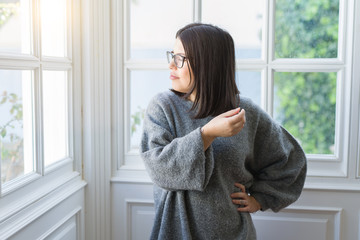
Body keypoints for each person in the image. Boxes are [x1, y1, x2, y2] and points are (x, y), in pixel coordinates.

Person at [140, 23, 307, 240]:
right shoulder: (162, 107)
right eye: (172, 55)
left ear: (206, 64)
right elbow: (158, 168)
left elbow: (290, 162)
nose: (171, 65)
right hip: (175, 231)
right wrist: (206, 134)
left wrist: (260, 199)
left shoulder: (244, 112)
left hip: (232, 232)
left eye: (180, 58)